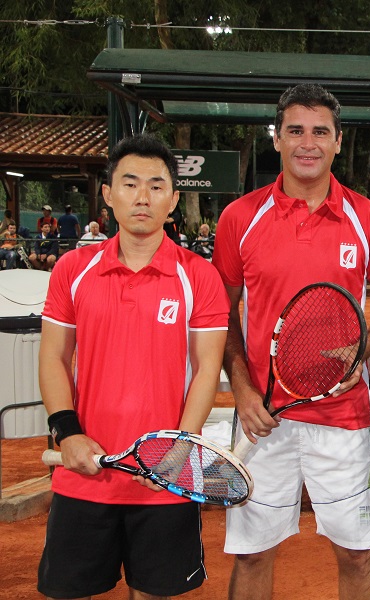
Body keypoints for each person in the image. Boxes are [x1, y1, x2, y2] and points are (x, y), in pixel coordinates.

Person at [213, 83, 370, 600]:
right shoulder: (239, 217)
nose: (307, 143)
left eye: (320, 132)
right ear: (276, 138)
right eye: (295, 130)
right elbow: (220, 314)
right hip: (263, 417)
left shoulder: (368, 219)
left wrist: (363, 346)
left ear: (338, 142)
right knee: (253, 553)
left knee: (358, 554)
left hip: (343, 418)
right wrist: (243, 391)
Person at [37, 134, 230, 599]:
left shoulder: (199, 276)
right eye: (129, 184)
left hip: (162, 481)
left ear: (173, 199)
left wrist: (178, 449)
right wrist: (68, 433)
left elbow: (207, 368)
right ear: (108, 194)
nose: (143, 197)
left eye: (156, 186)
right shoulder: (72, 269)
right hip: (85, 475)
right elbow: (53, 356)